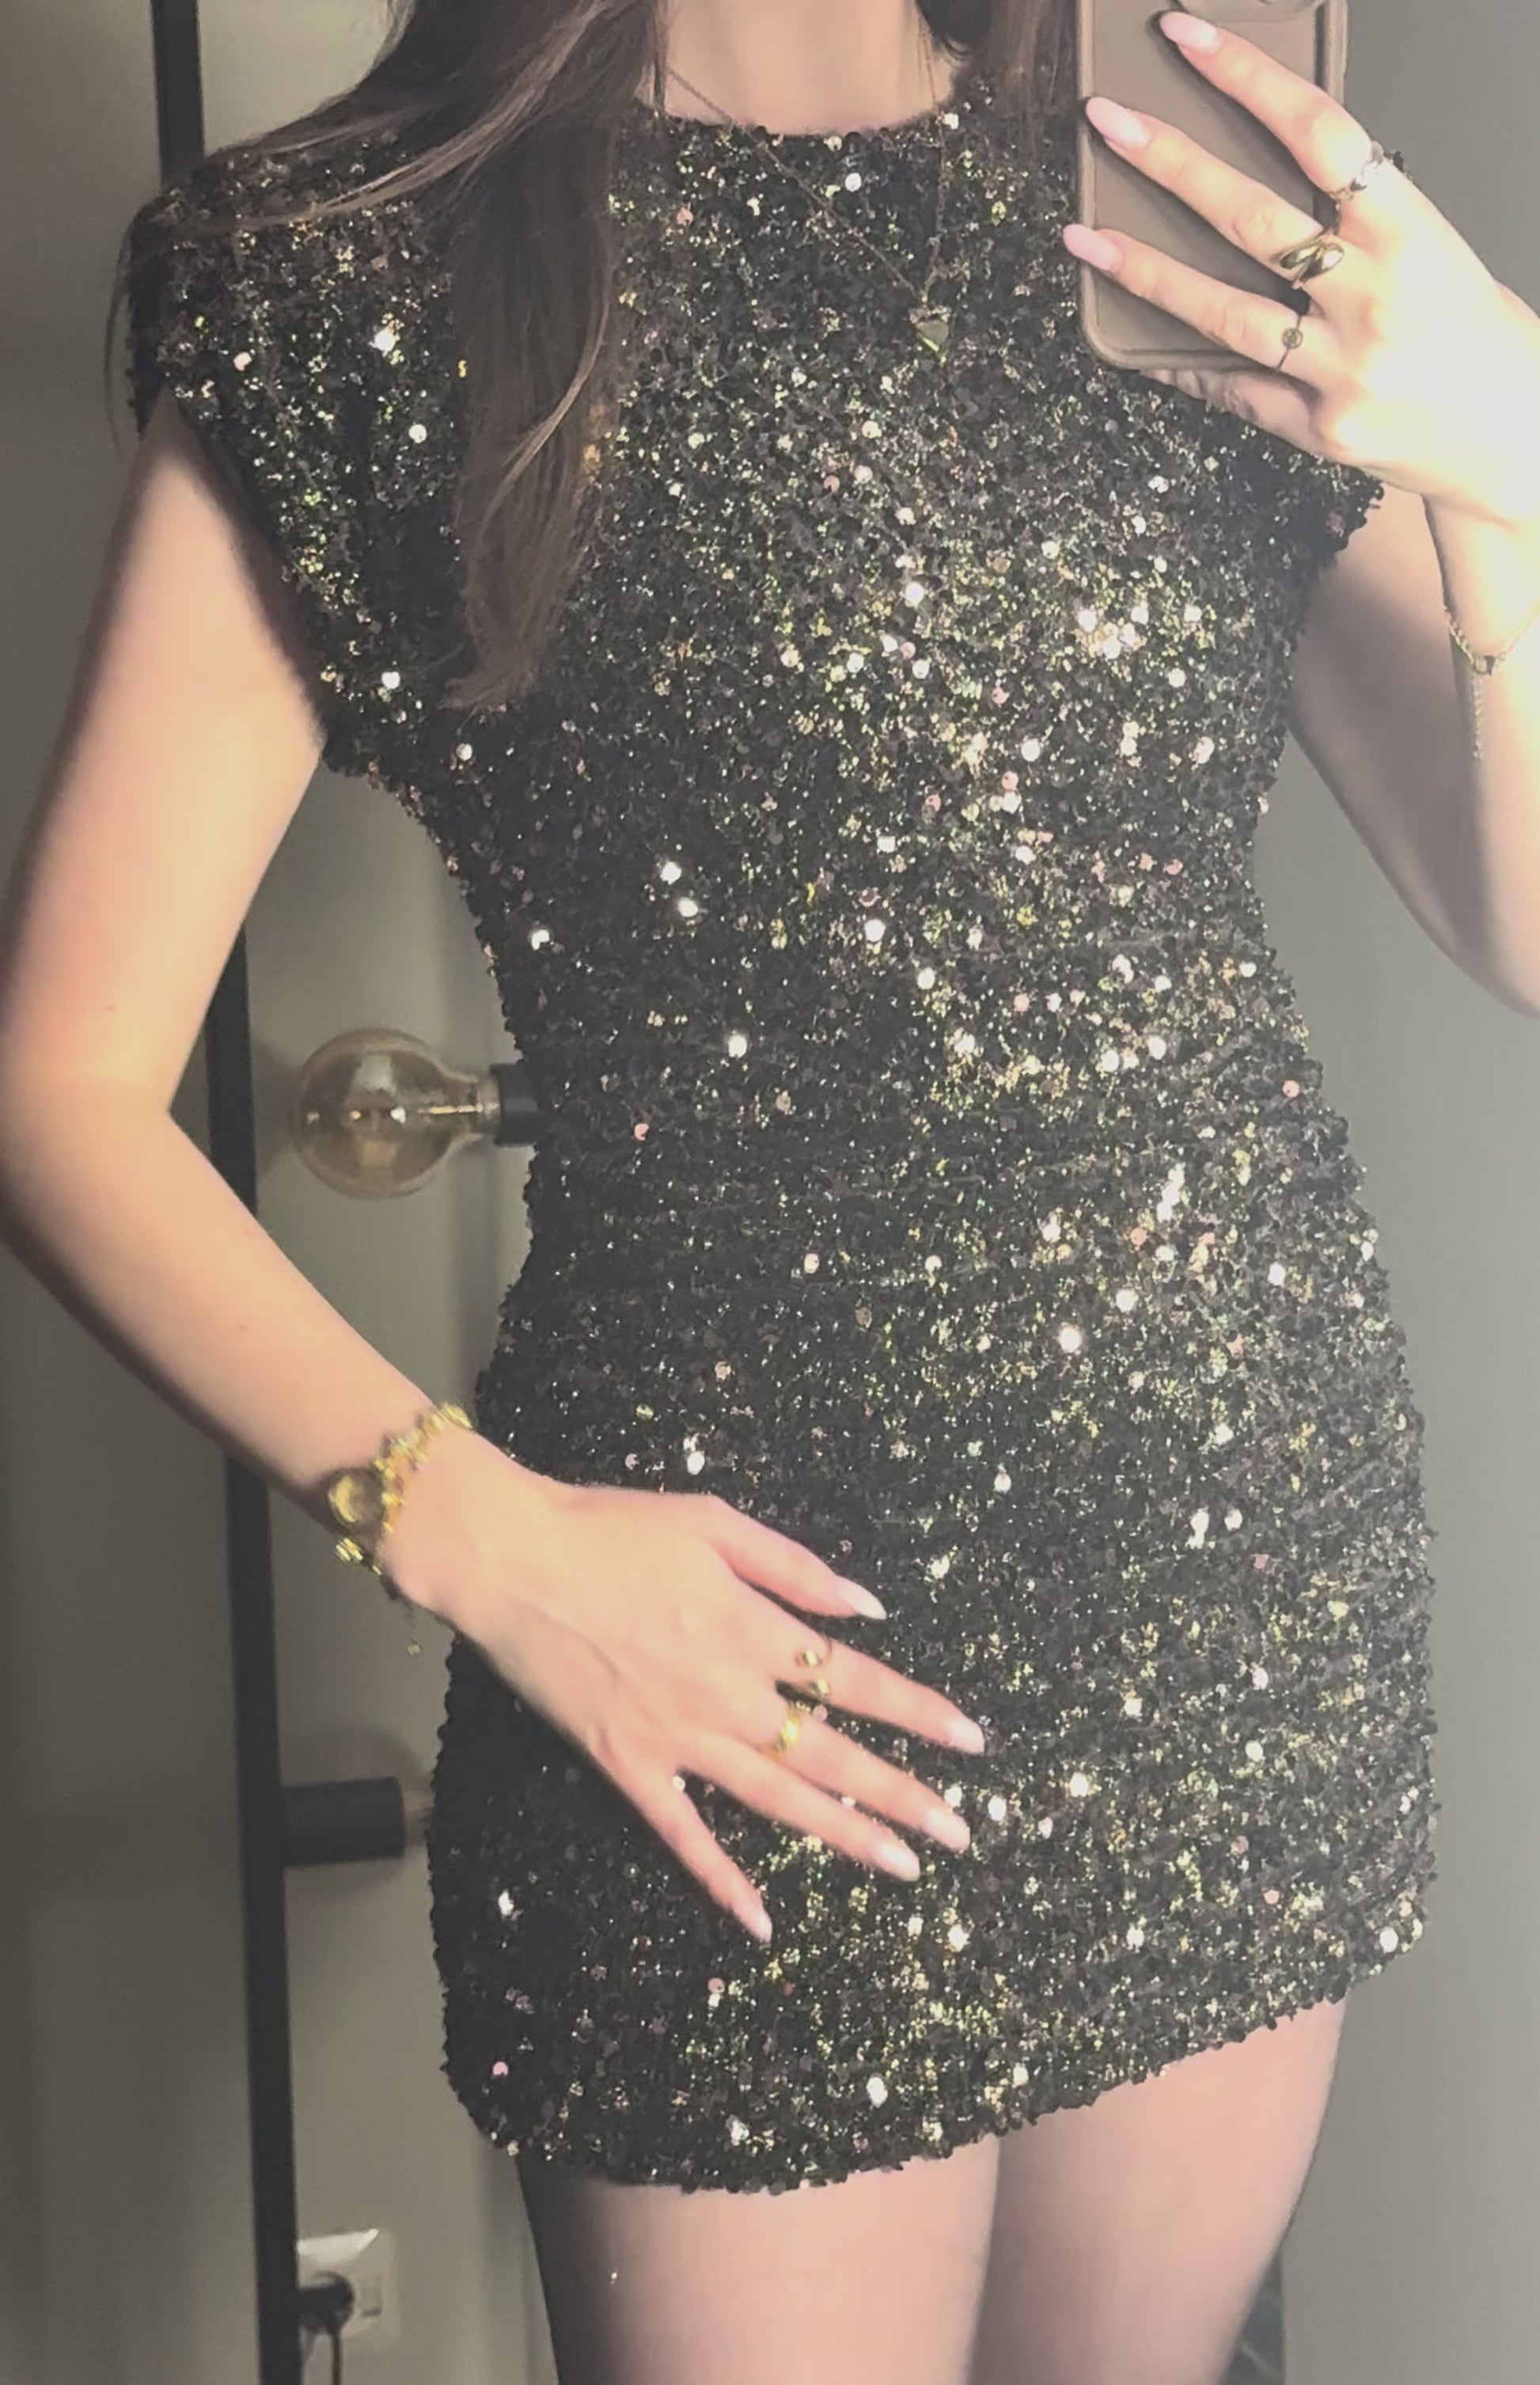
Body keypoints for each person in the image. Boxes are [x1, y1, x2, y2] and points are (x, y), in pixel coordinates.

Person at [6, 0, 1540, 2378]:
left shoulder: (1182, 207)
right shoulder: (358, 270)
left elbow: (1514, 922)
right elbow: (61, 1091)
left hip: (1231, 1598)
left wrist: (1506, 456)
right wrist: (478, 1535)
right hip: (714, 1662)